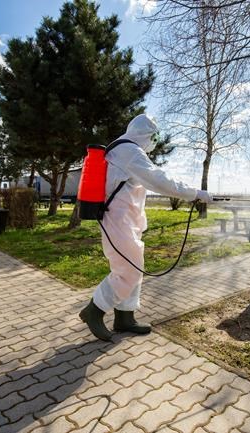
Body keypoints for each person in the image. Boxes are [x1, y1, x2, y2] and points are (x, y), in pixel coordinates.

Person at [79, 114, 213, 341]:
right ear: (146, 135)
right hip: (118, 222)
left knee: (134, 268)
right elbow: (160, 180)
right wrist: (195, 193)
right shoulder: (129, 152)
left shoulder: (125, 150)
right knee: (128, 270)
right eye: (153, 137)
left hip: (126, 222)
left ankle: (125, 318)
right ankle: (94, 311)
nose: (154, 142)